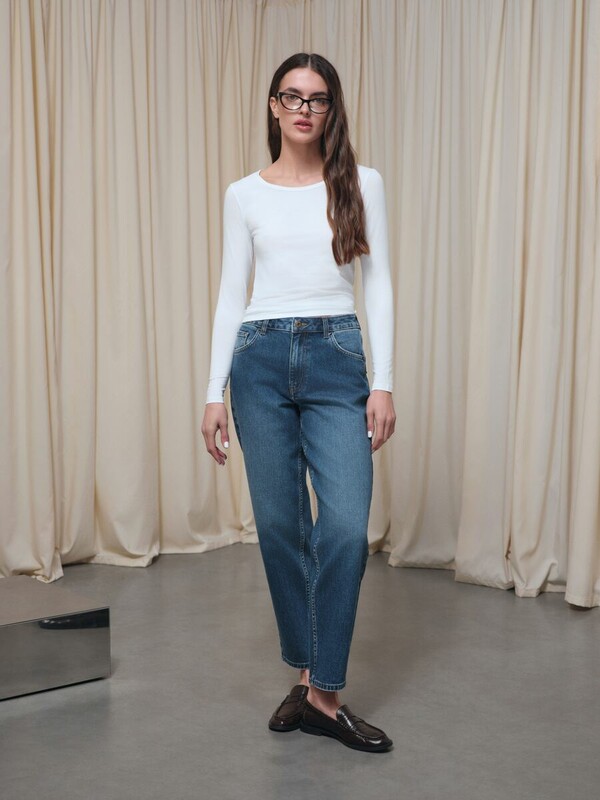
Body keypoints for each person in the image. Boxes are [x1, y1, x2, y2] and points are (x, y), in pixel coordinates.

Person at [201, 52, 395, 753]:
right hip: (257, 361)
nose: (304, 108)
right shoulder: (243, 194)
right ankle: (313, 682)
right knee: (282, 527)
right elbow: (232, 293)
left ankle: (324, 694)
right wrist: (213, 390)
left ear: (331, 108)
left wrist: (383, 380)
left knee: (343, 526)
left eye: (317, 98)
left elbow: (378, 283)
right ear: (274, 106)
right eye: (292, 96)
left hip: (336, 357)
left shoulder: (361, 182)